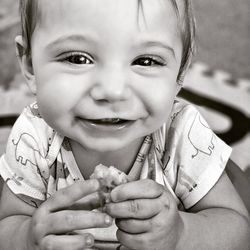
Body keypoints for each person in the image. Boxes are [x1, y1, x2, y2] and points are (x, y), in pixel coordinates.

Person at [0, 0, 249, 249]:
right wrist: (26, 238)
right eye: (77, 58)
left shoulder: (181, 133)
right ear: (30, 65)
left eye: (146, 61)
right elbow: (7, 227)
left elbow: (238, 232)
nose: (113, 90)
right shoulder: (33, 136)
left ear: (180, 72)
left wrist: (181, 234)